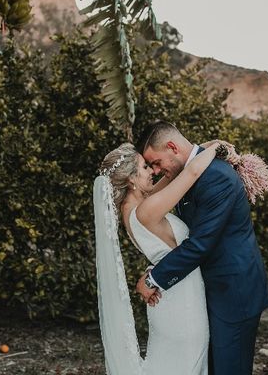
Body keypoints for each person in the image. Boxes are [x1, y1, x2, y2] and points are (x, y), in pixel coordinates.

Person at [134, 120, 268, 375]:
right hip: (211, 289)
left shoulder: (216, 176)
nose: (155, 170)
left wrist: (154, 279)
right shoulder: (188, 174)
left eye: (156, 162)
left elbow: (200, 244)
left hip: (234, 292)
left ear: (173, 147)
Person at [94, 139, 226, 374]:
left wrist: (202, 146)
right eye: (145, 167)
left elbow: (176, 171)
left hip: (169, 298)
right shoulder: (146, 210)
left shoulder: (133, 210)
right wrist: (219, 147)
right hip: (182, 305)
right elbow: (193, 171)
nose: (153, 172)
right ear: (131, 179)